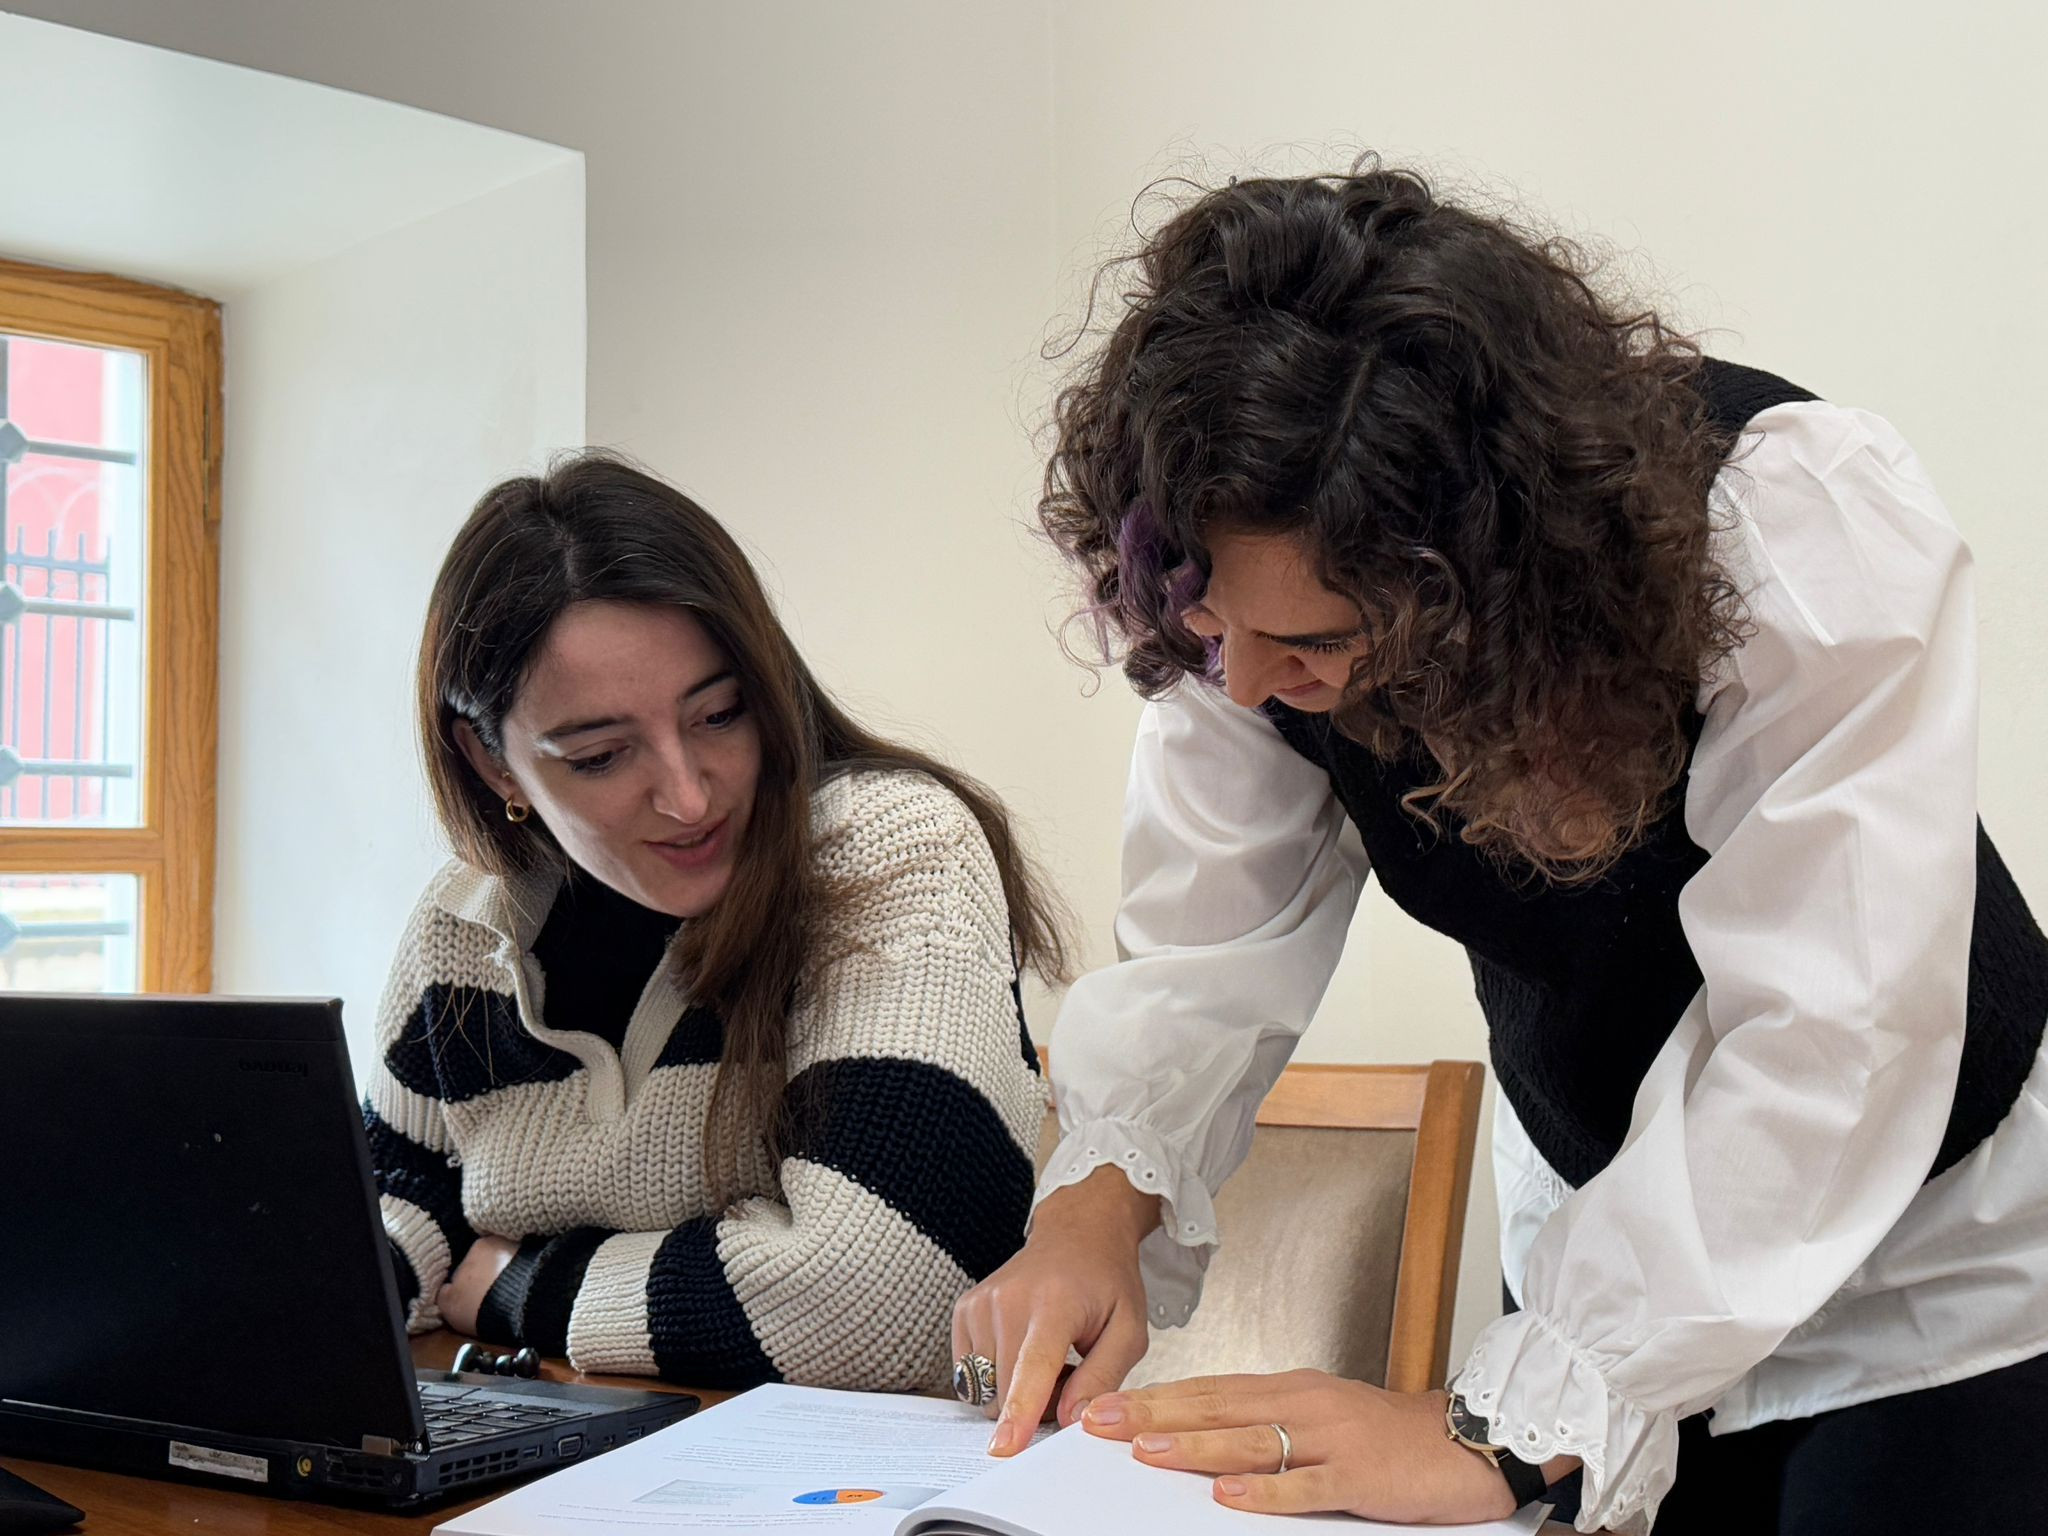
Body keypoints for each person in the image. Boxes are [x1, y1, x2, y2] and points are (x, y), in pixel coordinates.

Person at [953, 164, 2048, 1534]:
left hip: (1926, 1257)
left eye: (1312, 642)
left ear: (1483, 590)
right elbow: (1204, 952)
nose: (1242, 683)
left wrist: (1514, 1415)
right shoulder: (1244, 603)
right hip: (1612, 1236)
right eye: (1213, 629)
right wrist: (1092, 1214)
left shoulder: (1789, 523)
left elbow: (1837, 1033)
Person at [364, 452, 1064, 1392]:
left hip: (875, 1470)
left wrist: (523, 1286)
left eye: (721, 715)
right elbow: (401, 1210)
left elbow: (882, 1302)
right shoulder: (464, 923)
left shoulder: (892, 848)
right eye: (602, 755)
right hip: (590, 1442)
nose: (689, 798)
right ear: (493, 765)